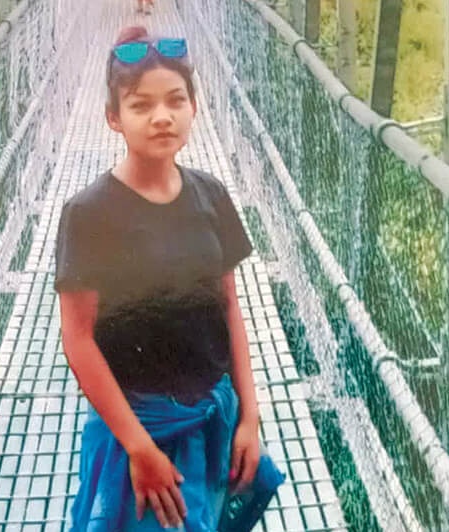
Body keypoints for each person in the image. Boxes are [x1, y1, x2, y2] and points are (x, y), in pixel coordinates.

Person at [55, 25, 284, 531]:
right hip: (143, 424)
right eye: (140, 105)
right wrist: (138, 447)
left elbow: (228, 308)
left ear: (194, 107)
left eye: (176, 100)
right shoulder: (89, 214)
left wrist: (250, 418)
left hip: (214, 415)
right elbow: (78, 339)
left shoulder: (212, 195)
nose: (162, 116)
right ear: (113, 118)